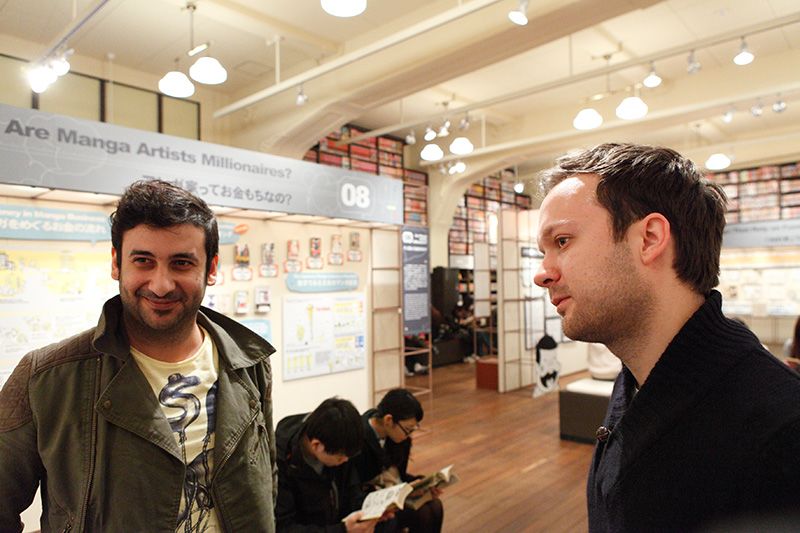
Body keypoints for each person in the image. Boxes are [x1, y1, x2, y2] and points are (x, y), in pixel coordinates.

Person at [533, 143, 800, 532]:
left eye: (561, 241)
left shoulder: (781, 435)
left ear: (649, 238)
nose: (541, 274)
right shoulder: (637, 376)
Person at [0, 179, 278, 532]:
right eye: (143, 261)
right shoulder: (46, 378)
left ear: (210, 269)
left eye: (181, 263)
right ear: (117, 263)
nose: (161, 285)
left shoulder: (249, 362)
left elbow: (266, 481)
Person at [275, 397, 389, 533]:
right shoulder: (281, 463)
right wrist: (342, 530)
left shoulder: (339, 440)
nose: (345, 461)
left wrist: (371, 511)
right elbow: (285, 528)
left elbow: (351, 491)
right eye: (340, 458)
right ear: (316, 445)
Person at [352, 389, 444, 533]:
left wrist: (421, 484)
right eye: (408, 430)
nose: (409, 435)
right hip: (369, 502)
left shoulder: (398, 438)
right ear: (389, 420)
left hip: (392, 494)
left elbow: (398, 475)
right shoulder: (357, 440)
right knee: (423, 513)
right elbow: (355, 490)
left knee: (434, 505)